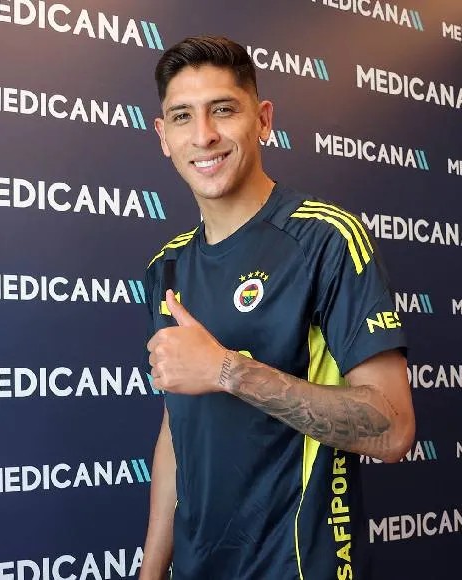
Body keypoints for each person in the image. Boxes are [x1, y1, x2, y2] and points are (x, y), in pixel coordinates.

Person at [139, 35, 416, 580]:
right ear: (163, 136)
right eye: (182, 117)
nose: (204, 135)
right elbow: (176, 432)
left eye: (223, 110)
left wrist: (227, 370)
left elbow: (393, 429)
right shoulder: (166, 267)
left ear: (263, 120)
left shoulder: (325, 239)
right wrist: (151, 571)